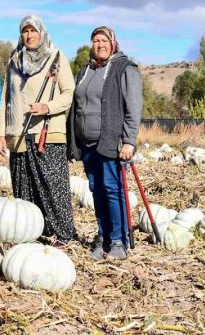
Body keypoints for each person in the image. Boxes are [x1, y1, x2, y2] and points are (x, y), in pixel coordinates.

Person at [0, 15, 77, 244]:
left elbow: (68, 93)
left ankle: (62, 234)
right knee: (24, 187)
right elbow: (6, 98)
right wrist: (2, 133)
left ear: (42, 33)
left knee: (52, 186)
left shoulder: (56, 57)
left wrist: (48, 107)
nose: (29, 36)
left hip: (47, 133)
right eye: (25, 31)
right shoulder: (14, 60)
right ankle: (33, 234)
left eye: (33, 31)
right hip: (18, 134)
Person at [69, 26, 142, 260]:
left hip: (111, 141)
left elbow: (133, 108)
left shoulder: (124, 68)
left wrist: (129, 141)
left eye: (103, 40)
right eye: (95, 40)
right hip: (88, 143)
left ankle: (119, 240)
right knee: (96, 191)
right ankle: (103, 237)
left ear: (113, 43)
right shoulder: (85, 70)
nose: (99, 44)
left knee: (112, 190)